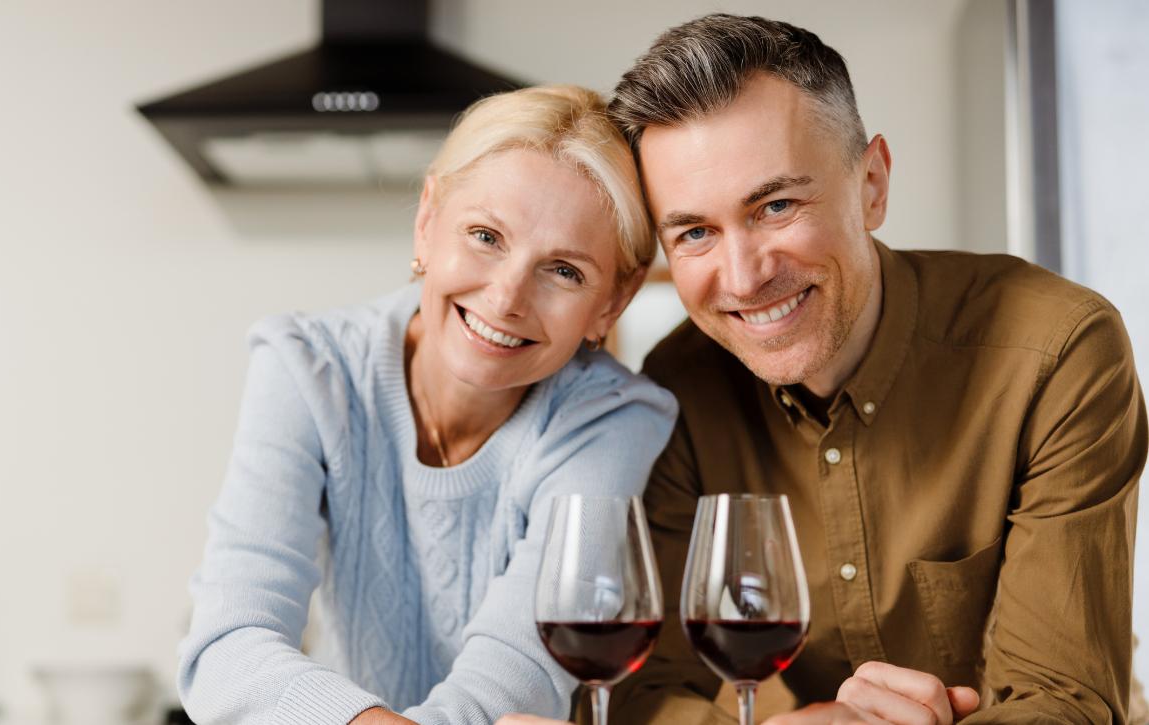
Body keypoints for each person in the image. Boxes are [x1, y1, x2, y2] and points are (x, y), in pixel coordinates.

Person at [499, 13, 1146, 725]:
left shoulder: (1055, 350)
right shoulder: (678, 386)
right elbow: (643, 692)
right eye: (695, 232)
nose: (743, 278)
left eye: (776, 205)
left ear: (872, 185)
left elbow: (1063, 704)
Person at [175, 85, 679, 725]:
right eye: (485, 236)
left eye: (564, 271)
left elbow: (517, 673)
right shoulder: (308, 366)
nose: (506, 299)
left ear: (614, 302)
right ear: (427, 220)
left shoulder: (612, 418)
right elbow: (226, 643)